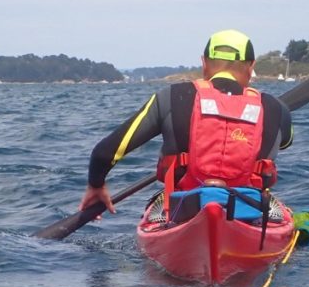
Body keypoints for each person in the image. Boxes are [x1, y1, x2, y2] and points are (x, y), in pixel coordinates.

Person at [79, 29, 293, 221]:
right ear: (251, 66)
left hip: (183, 210)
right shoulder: (277, 108)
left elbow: (104, 153)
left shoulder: (171, 97)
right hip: (249, 212)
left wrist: (96, 185)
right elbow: (285, 142)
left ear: (204, 63)